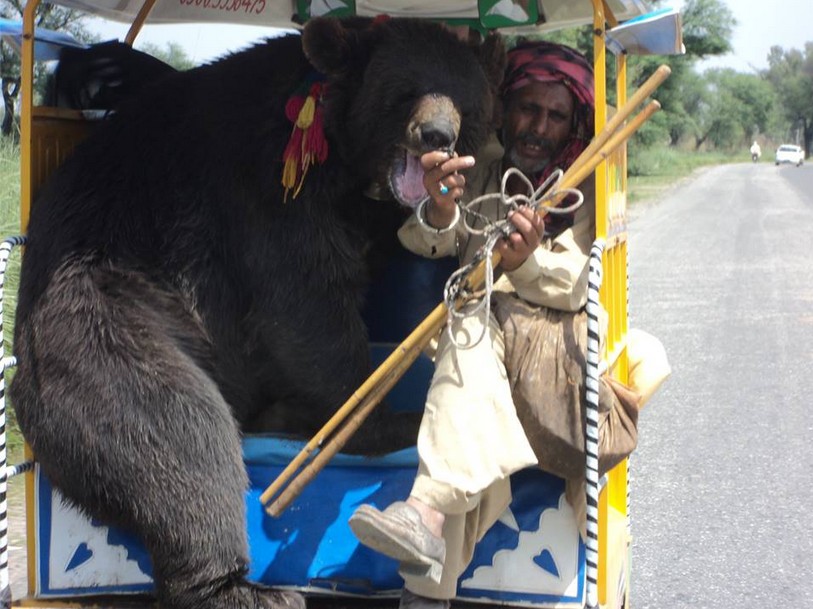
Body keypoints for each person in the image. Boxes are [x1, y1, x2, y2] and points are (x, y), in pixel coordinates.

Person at [349, 40, 669, 609]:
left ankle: (423, 511)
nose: (538, 126)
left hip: (556, 362)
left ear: (573, 121)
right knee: (472, 374)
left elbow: (579, 284)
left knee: (471, 323)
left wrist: (523, 265)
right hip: (487, 364)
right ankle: (424, 589)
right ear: (506, 106)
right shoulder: (485, 171)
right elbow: (432, 243)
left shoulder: (591, 183)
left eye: (555, 115)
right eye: (528, 107)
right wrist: (444, 212)